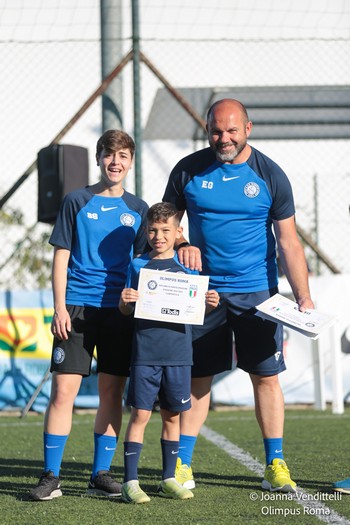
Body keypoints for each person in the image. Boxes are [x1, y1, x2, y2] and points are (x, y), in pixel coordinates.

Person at [163, 98, 314, 493]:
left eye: (232, 130)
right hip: (203, 293)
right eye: (216, 130)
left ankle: (275, 464)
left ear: (249, 128)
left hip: (257, 295)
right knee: (198, 378)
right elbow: (165, 223)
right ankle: (182, 464)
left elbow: (289, 243)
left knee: (265, 378)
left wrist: (305, 298)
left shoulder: (270, 175)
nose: (223, 138)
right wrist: (181, 243)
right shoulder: (188, 170)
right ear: (207, 129)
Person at [29, 129, 149, 501]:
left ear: (131, 162)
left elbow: (144, 261)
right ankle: (51, 476)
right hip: (77, 308)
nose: (116, 162)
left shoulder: (139, 209)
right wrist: (59, 307)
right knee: (63, 391)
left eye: (123, 156)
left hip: (120, 310)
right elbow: (61, 255)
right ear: (99, 159)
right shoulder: (76, 201)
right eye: (109, 155)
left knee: (111, 391)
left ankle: (100, 474)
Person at [118, 202, 220, 504]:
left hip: (178, 355)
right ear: (145, 231)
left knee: (172, 417)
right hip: (145, 353)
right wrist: (125, 301)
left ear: (178, 233)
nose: (158, 235)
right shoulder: (137, 265)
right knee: (140, 414)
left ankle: (168, 478)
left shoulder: (188, 270)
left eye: (165, 230)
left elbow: (193, 308)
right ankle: (130, 482)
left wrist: (208, 302)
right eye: (152, 229)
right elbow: (125, 309)